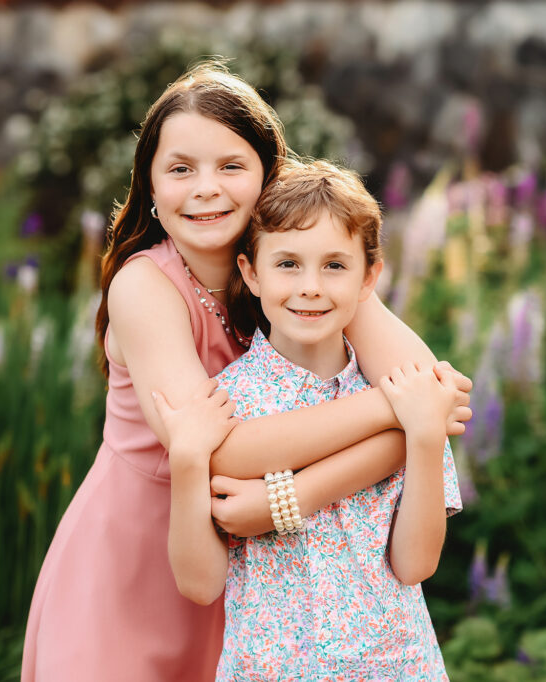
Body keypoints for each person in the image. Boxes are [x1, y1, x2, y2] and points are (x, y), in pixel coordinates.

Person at [21, 62, 471, 681]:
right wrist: (389, 409)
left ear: (268, 175)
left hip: (258, 581)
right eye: (180, 169)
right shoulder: (144, 287)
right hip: (139, 562)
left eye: (231, 166)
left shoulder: (300, 271)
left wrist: (292, 498)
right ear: (149, 185)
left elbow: (433, 394)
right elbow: (223, 452)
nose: (206, 188)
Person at [153, 159, 461, 680]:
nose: (311, 287)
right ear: (251, 273)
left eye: (335, 266)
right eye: (288, 264)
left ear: (370, 278)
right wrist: (187, 458)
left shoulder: (408, 397)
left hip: (394, 665)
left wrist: (427, 436)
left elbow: (416, 565)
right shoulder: (227, 407)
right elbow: (201, 584)